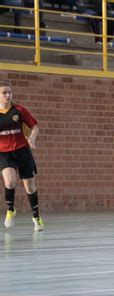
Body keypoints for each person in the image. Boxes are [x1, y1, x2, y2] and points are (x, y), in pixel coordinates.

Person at [0, 81, 44, 232]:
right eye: (4, 92)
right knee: (10, 181)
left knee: (30, 186)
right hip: (5, 153)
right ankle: (11, 210)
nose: (7, 95)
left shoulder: (19, 110)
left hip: (22, 151)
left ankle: (36, 217)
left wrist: (32, 138)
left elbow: (35, 127)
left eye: (9, 92)